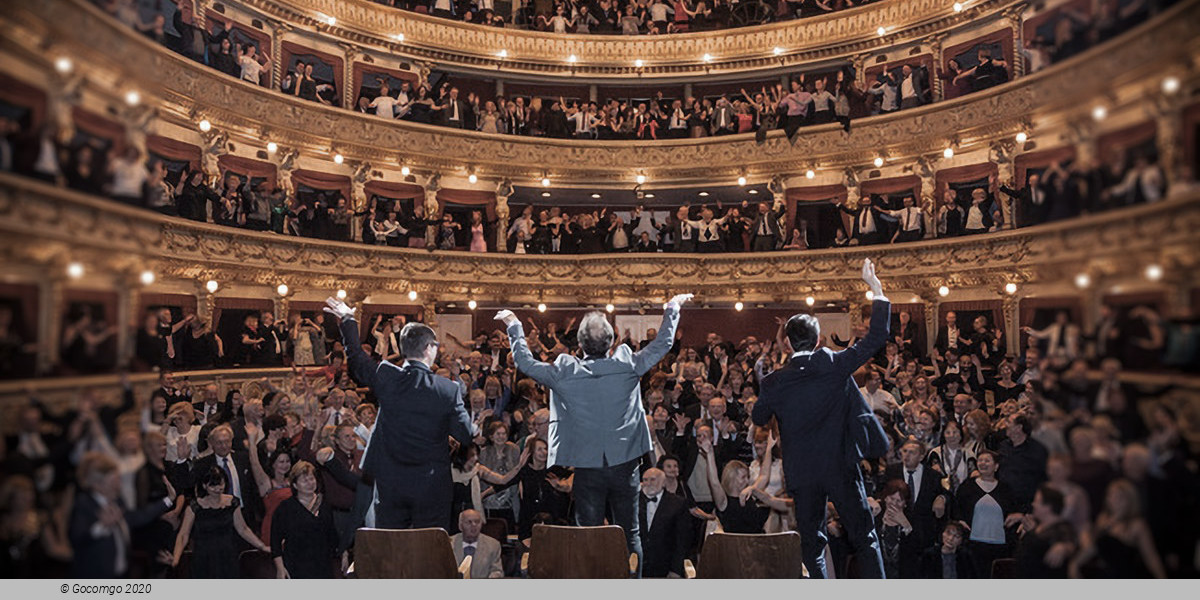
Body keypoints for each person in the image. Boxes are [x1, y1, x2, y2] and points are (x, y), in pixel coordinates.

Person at [494, 292, 693, 577]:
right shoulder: (627, 364)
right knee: (630, 534)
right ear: (611, 342)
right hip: (624, 465)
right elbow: (663, 343)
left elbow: (524, 363)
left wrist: (514, 325)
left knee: (587, 534)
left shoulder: (564, 372)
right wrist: (672, 307)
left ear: (580, 345)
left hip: (587, 467)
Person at [752, 258, 890, 578]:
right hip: (840, 467)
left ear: (788, 343)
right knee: (865, 537)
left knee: (812, 545)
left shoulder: (774, 382)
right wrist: (876, 288)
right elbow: (877, 336)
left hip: (802, 474)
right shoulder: (834, 364)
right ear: (817, 341)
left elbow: (759, 417)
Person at [323, 297, 475, 530]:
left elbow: (356, 358)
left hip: (391, 482)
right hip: (431, 485)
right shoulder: (447, 389)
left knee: (392, 545)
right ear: (429, 349)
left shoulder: (387, 376)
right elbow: (464, 434)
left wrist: (348, 319)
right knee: (430, 545)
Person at [69, 452, 176, 578]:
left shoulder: (117, 500)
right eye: (114, 481)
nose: (119, 485)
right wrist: (101, 526)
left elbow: (136, 517)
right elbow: (76, 538)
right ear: (97, 484)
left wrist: (168, 500)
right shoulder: (84, 504)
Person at [170, 466, 269, 578]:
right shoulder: (195, 506)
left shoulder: (232, 502)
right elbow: (183, 535)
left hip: (227, 556)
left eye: (221, 484)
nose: (218, 489)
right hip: (203, 558)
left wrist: (262, 546)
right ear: (204, 485)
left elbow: (243, 529)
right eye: (213, 485)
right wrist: (176, 559)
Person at [270, 461, 338, 579]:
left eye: (311, 479)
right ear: (295, 485)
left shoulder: (325, 505)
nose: (309, 483)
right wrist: (280, 568)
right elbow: (275, 541)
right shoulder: (285, 508)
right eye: (304, 480)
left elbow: (332, 535)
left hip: (323, 566)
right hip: (296, 566)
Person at [638, 467, 689, 578]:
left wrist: (676, 570)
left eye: (653, 479)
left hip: (665, 567)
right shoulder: (633, 503)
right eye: (645, 480)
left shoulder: (678, 503)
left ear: (663, 482)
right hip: (637, 567)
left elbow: (682, 540)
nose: (648, 483)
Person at [450, 509, 503, 579]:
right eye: (469, 522)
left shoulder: (493, 545)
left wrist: (494, 576)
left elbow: (497, 570)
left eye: (477, 522)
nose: (474, 525)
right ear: (460, 525)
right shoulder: (448, 544)